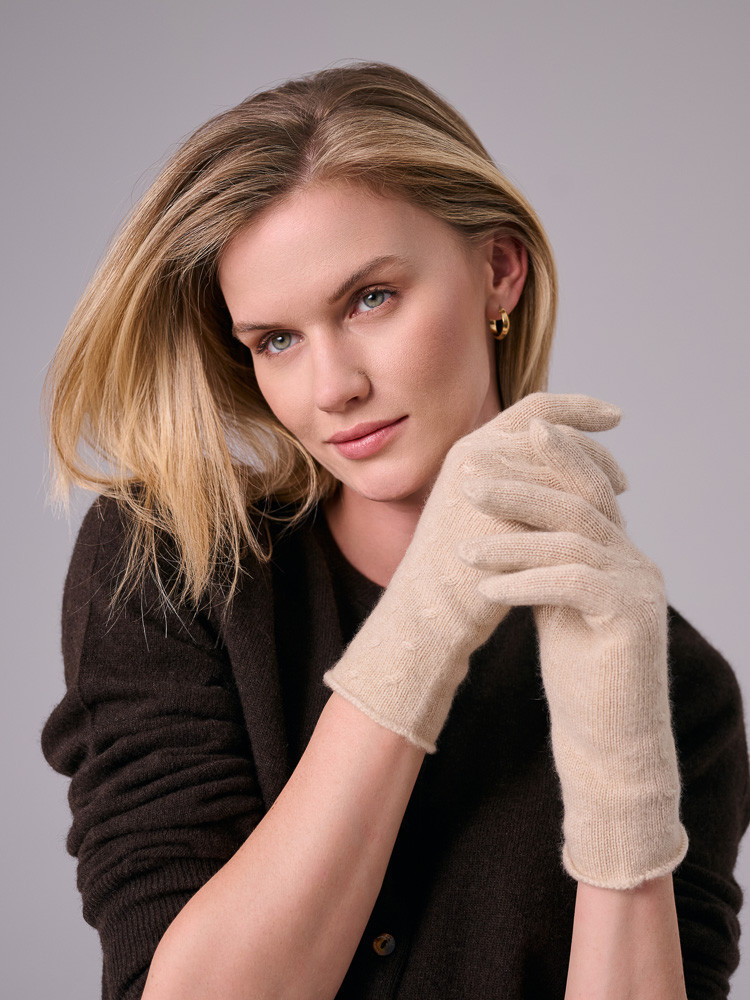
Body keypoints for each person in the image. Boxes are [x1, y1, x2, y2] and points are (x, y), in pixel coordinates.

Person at [40, 61, 749, 1000]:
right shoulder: (171, 565)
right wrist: (424, 620)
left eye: (370, 298)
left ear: (500, 271)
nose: (333, 387)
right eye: (276, 340)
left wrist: (623, 771)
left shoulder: (679, 686)